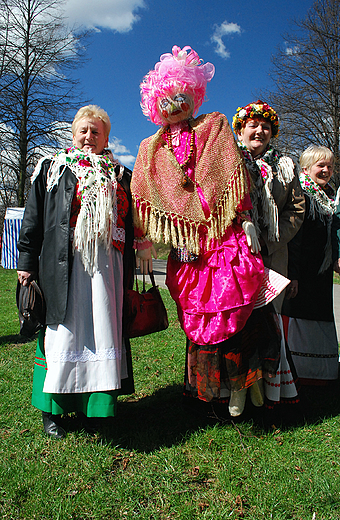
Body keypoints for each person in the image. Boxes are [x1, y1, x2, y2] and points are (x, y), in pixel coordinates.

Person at [131, 46, 283, 417]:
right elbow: (143, 194)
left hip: (223, 234)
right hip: (187, 246)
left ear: (194, 94)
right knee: (201, 312)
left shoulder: (213, 125)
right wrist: (145, 240)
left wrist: (245, 218)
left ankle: (246, 382)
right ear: (156, 102)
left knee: (239, 304)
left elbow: (232, 176)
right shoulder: (149, 148)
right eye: (167, 98)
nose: (175, 103)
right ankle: (214, 390)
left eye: (182, 95)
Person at [17, 105, 135, 438]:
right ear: (73, 134)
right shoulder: (52, 169)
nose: (89, 137)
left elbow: (131, 223)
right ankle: (51, 410)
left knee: (101, 334)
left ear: (106, 137)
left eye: (96, 131)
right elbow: (34, 219)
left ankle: (94, 409)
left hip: (106, 270)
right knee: (62, 335)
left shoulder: (120, 175)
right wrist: (26, 263)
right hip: (63, 265)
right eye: (83, 130)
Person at [233, 100, 305, 409]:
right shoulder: (229, 160)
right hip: (237, 255)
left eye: (266, 126)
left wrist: (272, 237)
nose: (259, 130)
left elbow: (296, 210)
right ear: (241, 130)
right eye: (253, 125)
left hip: (273, 255)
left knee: (268, 323)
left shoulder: (285, 166)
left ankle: (269, 389)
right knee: (238, 319)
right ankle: (238, 387)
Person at [282, 145, 339, 384]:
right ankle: (299, 373)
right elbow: (294, 238)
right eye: (321, 165)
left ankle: (321, 373)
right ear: (306, 168)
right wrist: (293, 275)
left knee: (321, 316)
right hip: (302, 272)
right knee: (300, 317)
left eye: (330, 166)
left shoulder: (329, 196)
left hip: (321, 273)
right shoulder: (301, 195)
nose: (326, 170)